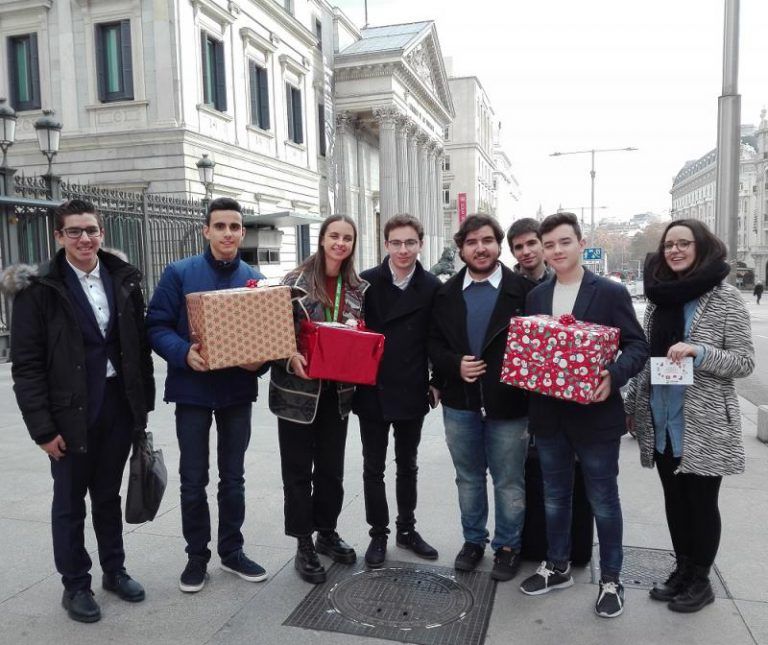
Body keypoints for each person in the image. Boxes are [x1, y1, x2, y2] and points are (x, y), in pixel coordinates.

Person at [4, 199, 154, 623]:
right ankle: (75, 584)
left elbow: (137, 347)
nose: (84, 238)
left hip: (118, 408)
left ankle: (114, 570)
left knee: (108, 497)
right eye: (74, 231)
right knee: (69, 503)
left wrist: (141, 407)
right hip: (68, 415)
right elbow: (27, 366)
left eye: (91, 230)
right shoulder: (40, 290)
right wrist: (42, 429)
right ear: (59, 237)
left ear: (102, 233)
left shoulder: (122, 278)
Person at [519, 212, 648, 619]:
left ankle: (611, 578)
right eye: (549, 244)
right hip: (550, 416)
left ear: (579, 243)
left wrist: (612, 376)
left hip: (595, 417)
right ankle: (557, 566)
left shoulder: (609, 292)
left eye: (564, 242)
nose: (556, 251)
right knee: (555, 496)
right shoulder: (537, 296)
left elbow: (637, 347)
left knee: (603, 500)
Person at [625, 219, 754, 613]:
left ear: (701, 247)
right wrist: (632, 404)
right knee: (675, 502)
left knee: (700, 503)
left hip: (704, 422)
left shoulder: (724, 297)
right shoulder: (659, 298)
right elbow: (648, 359)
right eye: (669, 245)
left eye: (684, 243)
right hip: (662, 415)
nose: (675, 250)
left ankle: (701, 579)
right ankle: (682, 570)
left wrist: (700, 351)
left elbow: (745, 362)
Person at [146, 197, 268, 594]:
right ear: (206, 230)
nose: (228, 233)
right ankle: (196, 556)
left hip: (236, 392)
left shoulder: (255, 278)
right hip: (193, 391)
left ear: (242, 232)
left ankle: (232, 551)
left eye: (235, 226)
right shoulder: (179, 273)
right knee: (193, 479)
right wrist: (183, 353)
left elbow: (268, 337)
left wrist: (259, 363)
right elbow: (156, 325)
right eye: (220, 226)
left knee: (233, 478)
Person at [428, 214, 533, 582]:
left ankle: (507, 546)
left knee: (508, 480)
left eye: (487, 240)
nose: (480, 248)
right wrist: (454, 365)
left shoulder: (523, 292)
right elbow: (434, 344)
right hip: (461, 403)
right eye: (471, 242)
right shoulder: (445, 294)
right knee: (468, 478)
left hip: (509, 404)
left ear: (498, 244)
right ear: (461, 249)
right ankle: (473, 541)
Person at [269, 214, 368, 584]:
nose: (340, 243)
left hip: (337, 394)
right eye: (334, 236)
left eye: (347, 238)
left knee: (331, 471)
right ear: (322, 239)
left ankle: (326, 532)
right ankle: (303, 543)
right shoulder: (292, 283)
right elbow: (273, 337)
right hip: (297, 394)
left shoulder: (358, 288)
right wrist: (288, 357)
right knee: (297, 474)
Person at [352, 214, 442, 568]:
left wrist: (438, 382)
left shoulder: (433, 286)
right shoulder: (366, 283)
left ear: (420, 244)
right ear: (385, 244)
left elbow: (440, 337)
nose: (403, 250)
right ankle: (378, 534)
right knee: (373, 467)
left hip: (411, 387)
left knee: (408, 465)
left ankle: (407, 529)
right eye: (396, 243)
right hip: (372, 388)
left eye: (410, 243)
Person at [506, 217, 553, 285]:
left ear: (543, 244)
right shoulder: (507, 287)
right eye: (519, 247)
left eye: (531, 243)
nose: (526, 252)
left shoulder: (561, 280)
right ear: (512, 252)